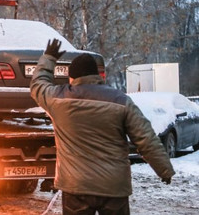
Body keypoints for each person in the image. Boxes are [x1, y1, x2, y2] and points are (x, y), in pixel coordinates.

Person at [30, 39, 175, 215]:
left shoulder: (57, 99)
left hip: (76, 186)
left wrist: (49, 58)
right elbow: (145, 138)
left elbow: (38, 84)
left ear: (72, 77)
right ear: (97, 76)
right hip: (113, 187)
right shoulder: (121, 100)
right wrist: (164, 169)